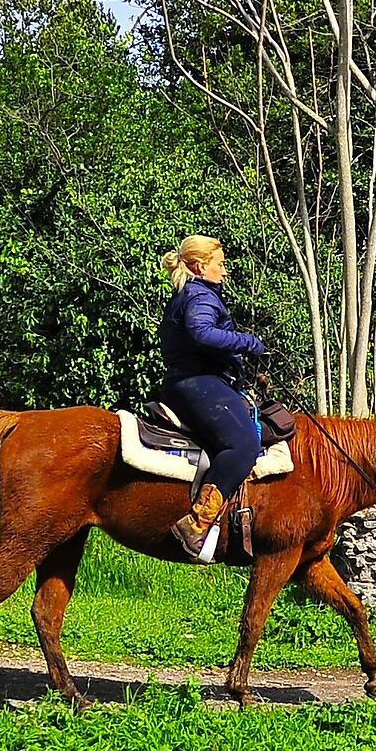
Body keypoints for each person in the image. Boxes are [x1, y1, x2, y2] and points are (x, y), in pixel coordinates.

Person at [158, 235, 267, 558]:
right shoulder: (200, 295)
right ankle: (196, 523)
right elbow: (201, 332)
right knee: (244, 444)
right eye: (220, 264)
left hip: (193, 380)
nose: (225, 270)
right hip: (198, 382)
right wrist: (246, 342)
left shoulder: (192, 292)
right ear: (201, 266)